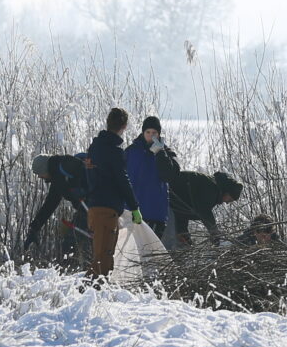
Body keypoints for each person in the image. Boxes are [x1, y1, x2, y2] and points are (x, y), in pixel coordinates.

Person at [84, 108, 141, 279]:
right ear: (124, 126)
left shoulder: (93, 148)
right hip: (107, 210)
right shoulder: (115, 152)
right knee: (103, 261)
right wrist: (134, 207)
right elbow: (122, 181)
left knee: (102, 257)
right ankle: (85, 296)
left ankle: (95, 297)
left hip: (93, 209)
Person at [22, 153, 91, 262]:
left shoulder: (65, 166)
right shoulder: (58, 177)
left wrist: (79, 191)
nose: (40, 177)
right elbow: (50, 204)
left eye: (39, 174)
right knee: (75, 243)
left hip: (94, 209)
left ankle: (75, 272)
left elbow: (85, 172)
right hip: (86, 211)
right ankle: (82, 271)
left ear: (44, 169)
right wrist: (34, 228)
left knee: (72, 243)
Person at [124, 115, 179, 246]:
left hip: (155, 213)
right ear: (143, 133)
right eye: (148, 132)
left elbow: (170, 176)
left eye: (154, 133)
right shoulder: (131, 152)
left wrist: (160, 153)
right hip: (131, 212)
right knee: (131, 252)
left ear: (159, 134)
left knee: (151, 252)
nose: (151, 135)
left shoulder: (167, 153)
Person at [168, 169, 243, 246]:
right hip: (166, 200)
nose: (227, 203)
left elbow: (184, 209)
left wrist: (182, 232)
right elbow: (204, 211)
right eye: (229, 199)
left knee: (176, 242)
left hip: (171, 204)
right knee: (167, 242)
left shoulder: (211, 190)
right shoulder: (211, 187)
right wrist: (214, 232)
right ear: (227, 192)